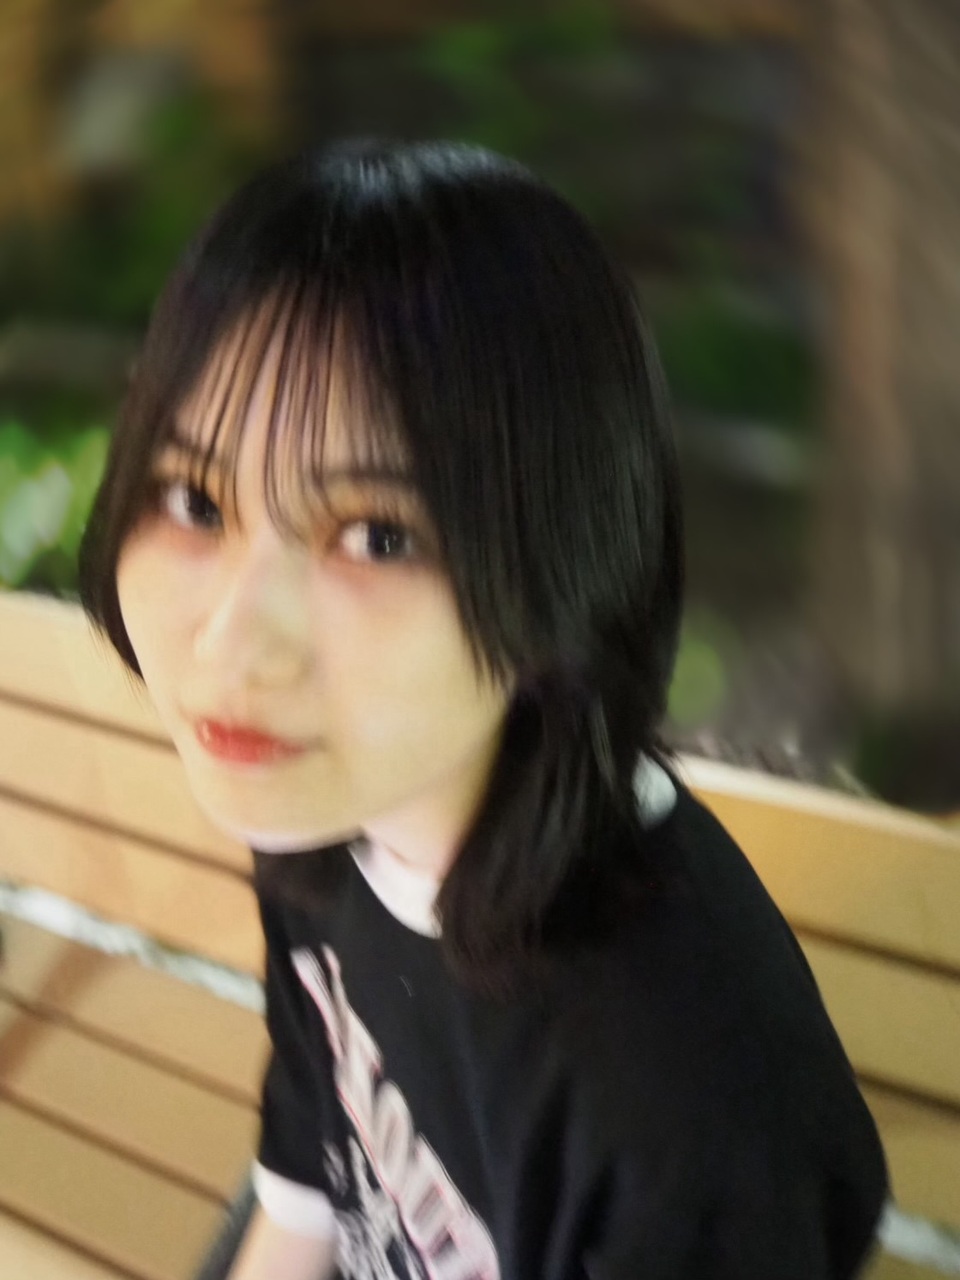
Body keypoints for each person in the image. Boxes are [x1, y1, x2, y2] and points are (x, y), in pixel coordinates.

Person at [77, 139, 889, 1280]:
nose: (229, 643)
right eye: (194, 499)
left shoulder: (686, 1106)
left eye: (377, 535)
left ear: (562, 570)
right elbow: (315, 1171)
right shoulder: (329, 803)